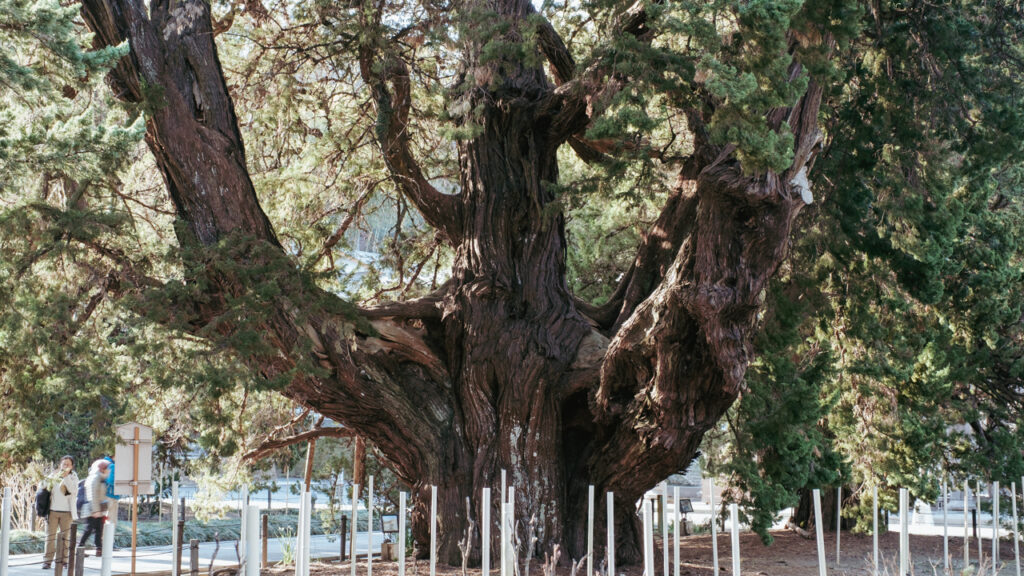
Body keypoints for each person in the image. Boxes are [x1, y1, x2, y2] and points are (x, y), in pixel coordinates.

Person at [42, 456, 79, 569]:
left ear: (72, 466)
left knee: (65, 538)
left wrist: (66, 477)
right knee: (50, 537)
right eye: (64, 464)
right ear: (60, 465)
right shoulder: (54, 475)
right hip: (52, 511)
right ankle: (47, 561)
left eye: (68, 464)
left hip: (67, 512)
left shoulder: (73, 476)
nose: (65, 466)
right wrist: (50, 477)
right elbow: (43, 486)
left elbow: (73, 490)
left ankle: (64, 561)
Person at [77, 459, 110, 556]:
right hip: (92, 509)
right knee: (88, 529)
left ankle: (99, 549)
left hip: (98, 508)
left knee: (98, 529)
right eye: (108, 468)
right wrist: (96, 510)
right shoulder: (95, 478)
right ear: (103, 469)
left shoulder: (100, 478)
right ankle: (79, 548)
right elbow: (92, 495)